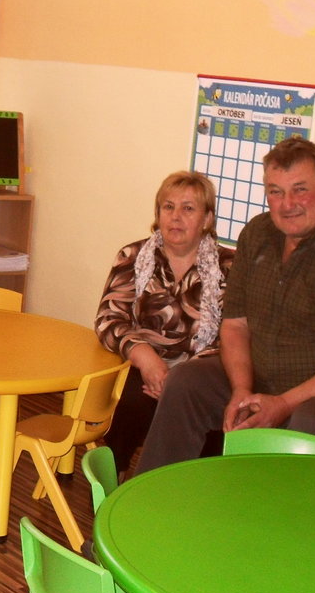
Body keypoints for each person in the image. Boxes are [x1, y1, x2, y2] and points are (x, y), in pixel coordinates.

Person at [135, 137, 315, 471]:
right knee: (186, 382)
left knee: (310, 422)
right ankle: (157, 496)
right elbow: (235, 325)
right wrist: (241, 389)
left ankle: (277, 505)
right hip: (268, 377)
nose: (287, 204)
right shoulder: (257, 234)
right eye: (275, 191)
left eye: (300, 190)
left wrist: (284, 403)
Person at [94, 171, 231, 475]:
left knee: (214, 414)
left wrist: (182, 378)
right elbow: (108, 319)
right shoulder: (132, 256)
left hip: (200, 372)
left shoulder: (230, 266)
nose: (176, 217)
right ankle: (113, 482)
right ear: (158, 214)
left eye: (188, 208)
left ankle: (191, 488)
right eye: (168, 207)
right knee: (131, 401)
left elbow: (234, 336)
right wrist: (145, 358)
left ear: (207, 219)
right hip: (141, 364)